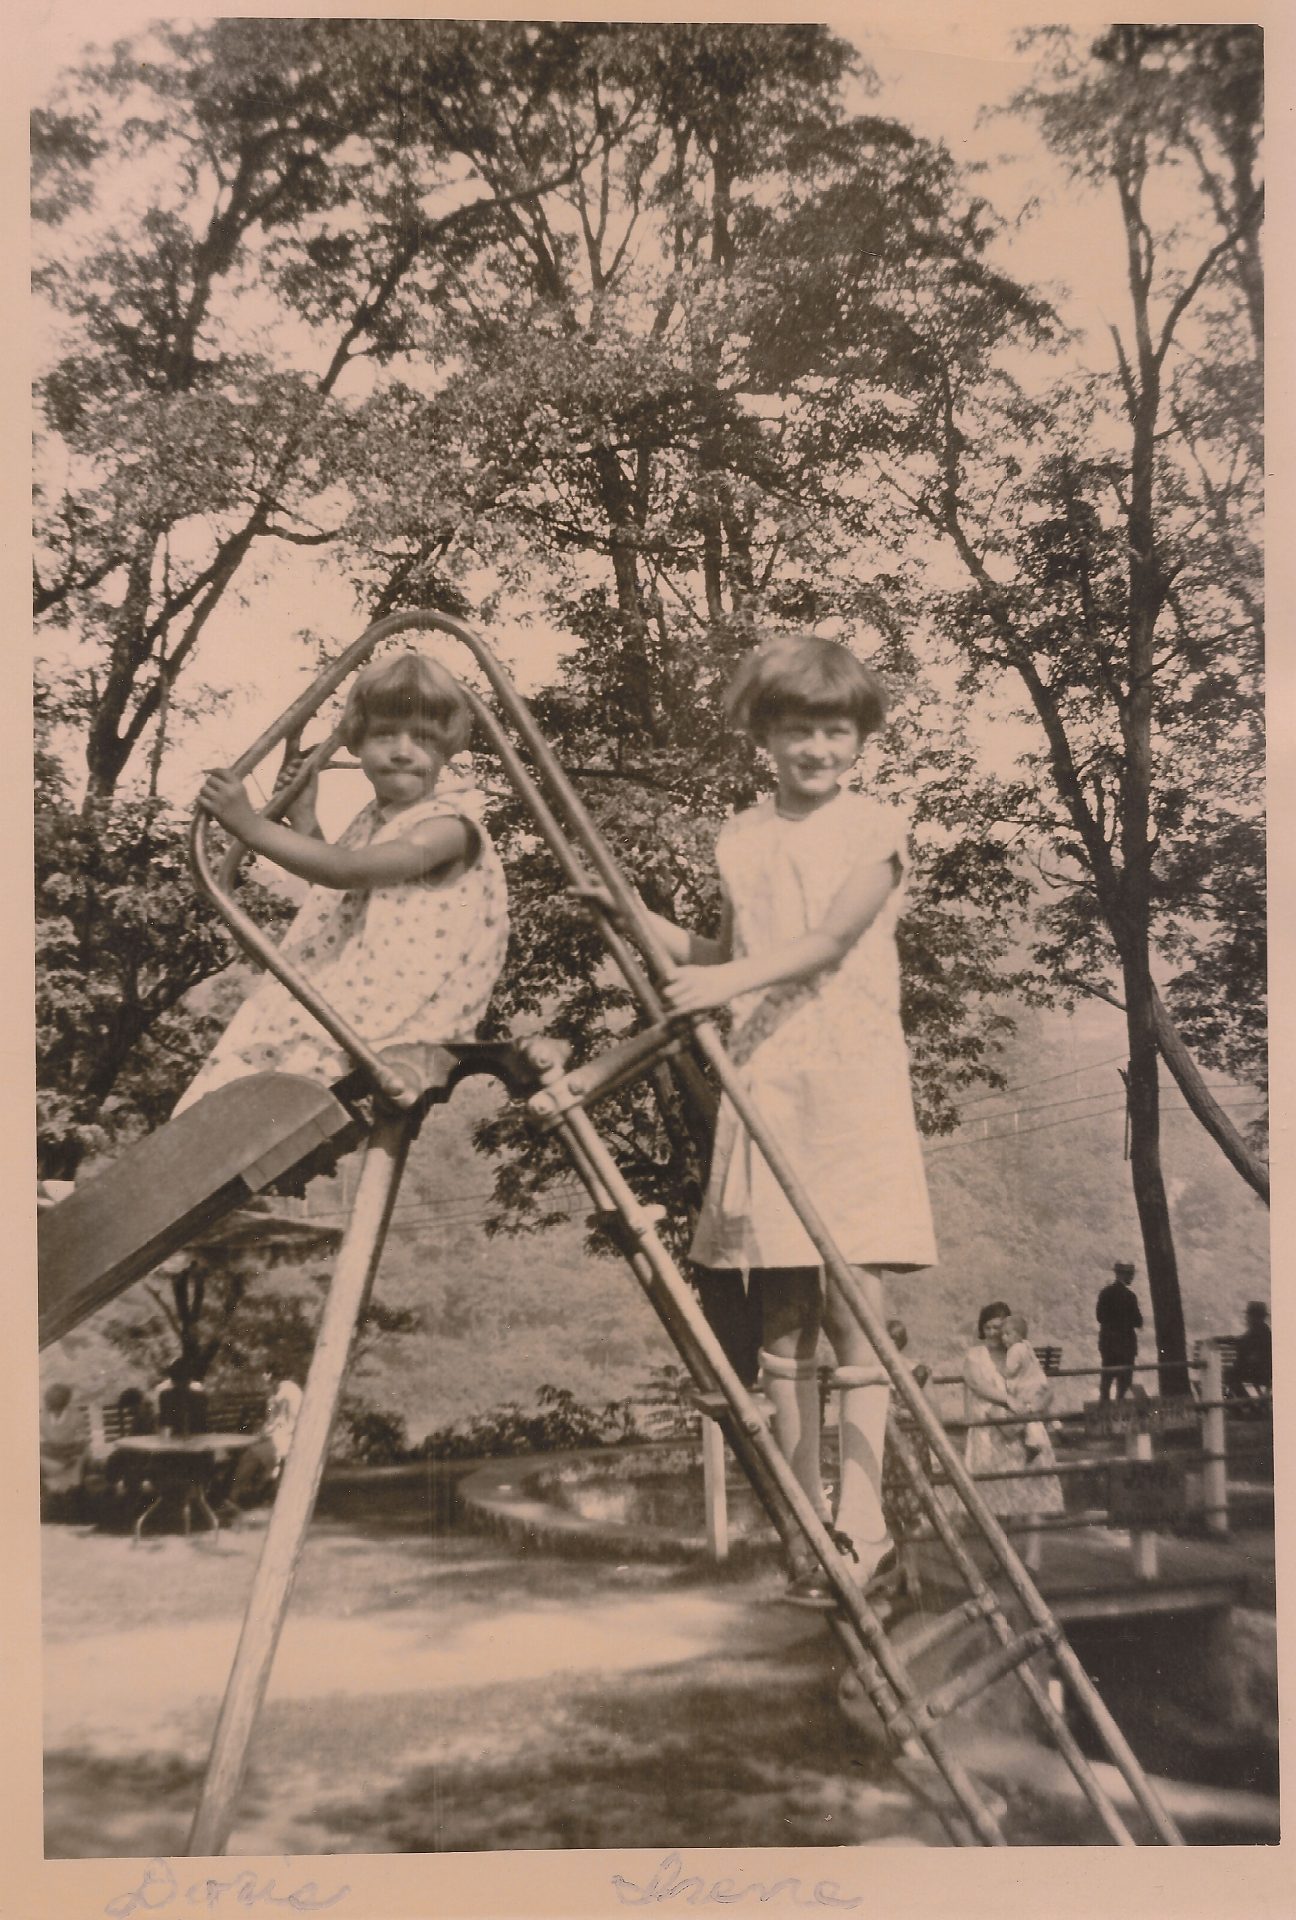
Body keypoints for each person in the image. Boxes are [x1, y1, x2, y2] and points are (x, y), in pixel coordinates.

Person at [602, 633, 937, 1606]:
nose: (818, 748)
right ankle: (805, 1524)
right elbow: (727, 947)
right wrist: (635, 916)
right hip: (769, 1080)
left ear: (861, 736)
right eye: (799, 728)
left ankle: (863, 1522)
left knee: (851, 1295)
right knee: (782, 1307)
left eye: (836, 729)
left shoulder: (874, 829)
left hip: (851, 1080)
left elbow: (829, 941)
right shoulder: (742, 837)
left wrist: (720, 977)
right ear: (766, 735)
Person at [175, 651, 509, 1112]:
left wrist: (249, 826)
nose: (402, 750)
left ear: (447, 748)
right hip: (360, 999)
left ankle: (212, 1142)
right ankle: (195, 1149)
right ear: (357, 741)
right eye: (385, 734)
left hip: (408, 1013)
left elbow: (345, 870)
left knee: (272, 1063)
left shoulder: (448, 830)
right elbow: (336, 895)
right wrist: (306, 817)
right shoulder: (375, 821)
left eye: (424, 738)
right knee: (247, 1058)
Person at [962, 1302, 1063, 1574]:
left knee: (1033, 1490)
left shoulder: (1020, 1352)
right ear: (982, 1329)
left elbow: (1044, 1387)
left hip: (1022, 1427)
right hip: (990, 1432)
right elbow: (977, 1384)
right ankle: (1001, 1557)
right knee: (997, 1497)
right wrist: (1009, 1400)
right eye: (989, 1327)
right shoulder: (975, 1355)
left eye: (1001, 1326)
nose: (995, 1332)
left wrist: (1032, 1409)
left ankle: (1033, 1557)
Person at [227, 1372, 304, 1513]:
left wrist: (270, 1404)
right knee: (258, 1454)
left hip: (284, 1440)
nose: (266, 1384)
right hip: (288, 1438)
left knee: (250, 1456)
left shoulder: (285, 1391)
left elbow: (274, 1420)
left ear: (273, 1377)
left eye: (267, 1380)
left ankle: (233, 1495)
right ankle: (260, 1491)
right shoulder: (292, 1390)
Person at [1000, 1313, 1052, 1455]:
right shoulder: (1027, 1346)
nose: (1003, 1338)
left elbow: (1010, 1371)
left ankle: (1032, 1444)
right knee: (1034, 1411)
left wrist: (1000, 1372)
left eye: (1007, 1334)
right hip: (1038, 1384)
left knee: (1026, 1414)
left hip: (1026, 1388)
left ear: (1018, 1335)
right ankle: (1052, 1426)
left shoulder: (1014, 1350)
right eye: (1002, 1335)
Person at [39, 1382, 88, 1521]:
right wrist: (57, 1453)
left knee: (73, 1472)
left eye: (58, 1407)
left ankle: (73, 1514)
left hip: (72, 1456)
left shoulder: (77, 1416)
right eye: (51, 1407)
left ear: (65, 1404)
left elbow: (81, 1444)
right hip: (50, 1458)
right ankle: (52, 1512)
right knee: (40, 1464)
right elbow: (40, 1445)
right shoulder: (40, 1418)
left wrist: (67, 1454)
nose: (54, 1411)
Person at [1096, 1260, 1143, 1402]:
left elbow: (1099, 1317)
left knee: (1106, 1383)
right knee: (1123, 1387)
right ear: (1125, 1275)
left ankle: (1104, 1415)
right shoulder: (1130, 1297)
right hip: (1126, 1347)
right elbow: (1138, 1321)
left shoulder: (1105, 1293)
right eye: (1130, 1275)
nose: (1132, 1278)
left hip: (1108, 1345)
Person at [1230, 1301, 1272, 1397]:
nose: (1246, 1319)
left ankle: (1248, 1405)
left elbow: (1241, 1343)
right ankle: (1251, 1405)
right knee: (1232, 1374)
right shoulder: (1265, 1331)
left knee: (1230, 1375)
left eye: (1248, 1316)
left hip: (1257, 1372)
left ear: (1254, 1317)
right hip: (1266, 1372)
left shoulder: (1255, 1332)